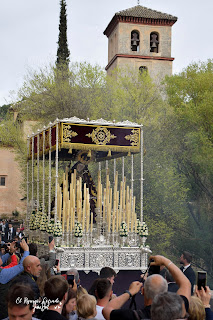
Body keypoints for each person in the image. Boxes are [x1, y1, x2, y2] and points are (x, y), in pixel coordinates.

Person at [103, 254, 191, 320]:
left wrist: (130, 292)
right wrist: (165, 261)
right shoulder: (177, 310)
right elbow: (186, 284)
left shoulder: (133, 316)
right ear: (165, 292)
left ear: (143, 291)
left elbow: (107, 310)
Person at [0, 239, 29, 320]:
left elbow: (1, 261)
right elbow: (21, 266)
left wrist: (10, 253)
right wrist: (26, 250)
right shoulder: (2, 274)